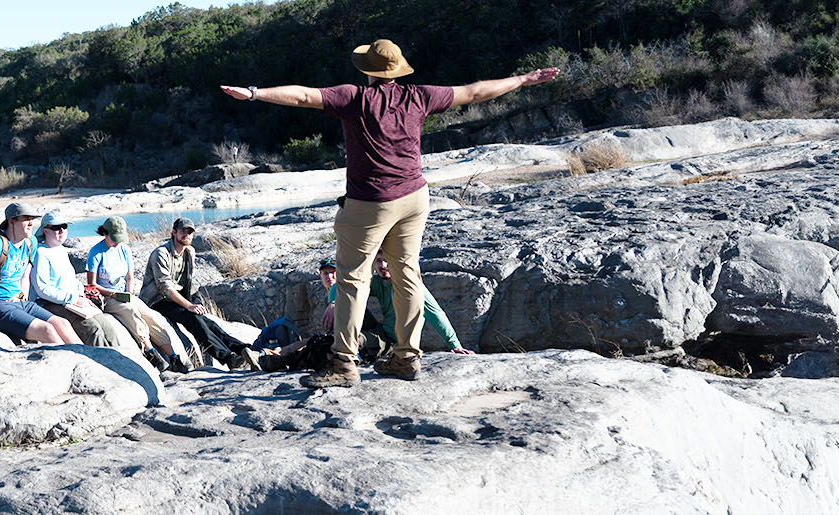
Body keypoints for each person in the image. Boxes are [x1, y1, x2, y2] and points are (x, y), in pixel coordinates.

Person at [220, 39, 559, 387]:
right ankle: (406, 357)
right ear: (398, 70)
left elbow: (305, 96)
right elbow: (473, 92)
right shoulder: (419, 95)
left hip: (370, 202)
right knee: (407, 275)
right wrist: (522, 79)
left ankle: (343, 364)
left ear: (367, 71)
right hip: (414, 197)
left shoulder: (356, 98)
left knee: (352, 279)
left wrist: (254, 93)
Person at [0, 203, 81, 345]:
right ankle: (68, 362)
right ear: (11, 221)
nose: (31, 223)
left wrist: (24, 304)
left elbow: (24, 277)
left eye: (32, 219)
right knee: (46, 330)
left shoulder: (30, 242)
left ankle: (85, 360)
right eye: (26, 219)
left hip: (18, 301)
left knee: (62, 323)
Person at [141, 218, 256, 370]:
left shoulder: (190, 252)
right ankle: (227, 357)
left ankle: (242, 349)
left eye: (190, 232)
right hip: (157, 302)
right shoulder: (161, 253)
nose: (187, 235)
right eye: (183, 231)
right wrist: (189, 306)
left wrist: (194, 302)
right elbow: (165, 287)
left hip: (176, 298)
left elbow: (186, 282)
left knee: (208, 322)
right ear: (174, 232)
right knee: (193, 318)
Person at [85, 216, 189, 372]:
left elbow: (129, 277)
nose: (117, 242)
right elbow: (92, 285)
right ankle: (150, 352)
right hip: (106, 296)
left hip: (125, 294)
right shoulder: (96, 252)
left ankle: (173, 356)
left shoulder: (124, 249)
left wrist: (128, 293)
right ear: (104, 233)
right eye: (114, 238)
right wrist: (113, 295)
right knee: (131, 312)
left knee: (152, 317)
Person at [317, 257, 474, 355]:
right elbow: (339, 287)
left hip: (394, 343)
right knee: (351, 301)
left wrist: (454, 345)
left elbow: (436, 314)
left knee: (350, 341)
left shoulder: (410, 286)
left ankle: (337, 347)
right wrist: (334, 303)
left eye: (387, 260)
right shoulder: (378, 282)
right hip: (381, 330)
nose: (383, 265)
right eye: (378, 261)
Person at [31, 211, 137, 350]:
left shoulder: (61, 250)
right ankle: (101, 365)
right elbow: (42, 289)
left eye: (64, 226)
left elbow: (71, 280)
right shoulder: (41, 253)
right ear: (45, 230)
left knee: (107, 327)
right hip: (52, 304)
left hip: (73, 301)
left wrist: (81, 294)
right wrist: (72, 299)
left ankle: (118, 361)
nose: (62, 230)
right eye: (56, 227)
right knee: (93, 330)